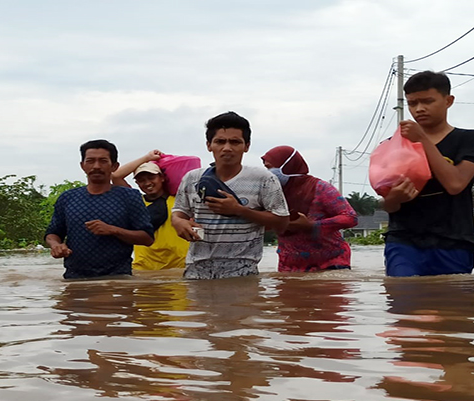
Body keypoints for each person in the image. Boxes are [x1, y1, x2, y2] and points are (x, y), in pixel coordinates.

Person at [381, 70, 474, 277]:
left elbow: (455, 184)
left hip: (453, 241)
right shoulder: (392, 147)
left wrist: (423, 140)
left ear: (448, 101)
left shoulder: (471, 139)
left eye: (427, 101)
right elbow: (386, 203)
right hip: (403, 240)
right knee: (404, 298)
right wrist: (394, 198)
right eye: (412, 103)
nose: (419, 109)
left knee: (451, 305)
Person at [171, 112, 289, 279]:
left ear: (246, 146)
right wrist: (178, 222)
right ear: (209, 145)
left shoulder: (264, 179)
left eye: (235, 142)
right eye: (220, 141)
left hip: (243, 272)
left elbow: (282, 222)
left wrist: (239, 210)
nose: (227, 148)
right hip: (196, 271)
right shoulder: (192, 178)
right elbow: (179, 212)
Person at [45, 139, 154, 279]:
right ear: (82, 165)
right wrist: (56, 245)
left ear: (114, 166)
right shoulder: (67, 198)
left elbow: (147, 238)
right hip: (74, 279)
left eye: (103, 161)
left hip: (119, 280)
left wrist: (113, 230)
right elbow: (53, 233)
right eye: (90, 161)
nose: (96, 166)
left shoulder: (130, 197)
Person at [261, 146, 358, 272]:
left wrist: (311, 226)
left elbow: (350, 217)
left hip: (331, 263)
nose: (267, 173)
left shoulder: (320, 188)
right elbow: (264, 223)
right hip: (289, 267)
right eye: (266, 169)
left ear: (286, 166)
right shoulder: (271, 193)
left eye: (270, 167)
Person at [111, 150, 189, 270]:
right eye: (141, 180)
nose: (147, 183)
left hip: (178, 267)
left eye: (151, 177)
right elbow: (116, 176)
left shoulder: (179, 199)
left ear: (162, 178)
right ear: (137, 183)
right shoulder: (135, 201)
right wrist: (146, 157)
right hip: (144, 268)